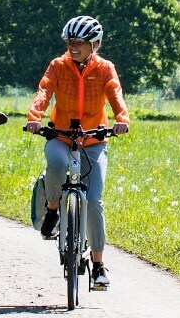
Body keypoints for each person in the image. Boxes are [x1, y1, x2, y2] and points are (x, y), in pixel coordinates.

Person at [24, 15, 129, 291]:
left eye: (80, 43)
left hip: (94, 140)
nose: (73, 47)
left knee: (94, 201)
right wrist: (34, 117)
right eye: (70, 42)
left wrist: (122, 120)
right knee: (57, 164)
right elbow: (44, 91)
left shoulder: (105, 69)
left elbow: (115, 94)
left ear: (95, 45)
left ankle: (98, 265)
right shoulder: (58, 66)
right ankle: (52, 210)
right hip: (61, 136)